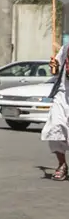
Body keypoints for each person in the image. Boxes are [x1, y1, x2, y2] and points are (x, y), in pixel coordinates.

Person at [42, 45, 69, 180]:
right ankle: (62, 164)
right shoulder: (66, 48)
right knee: (55, 126)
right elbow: (56, 71)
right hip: (63, 93)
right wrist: (54, 66)